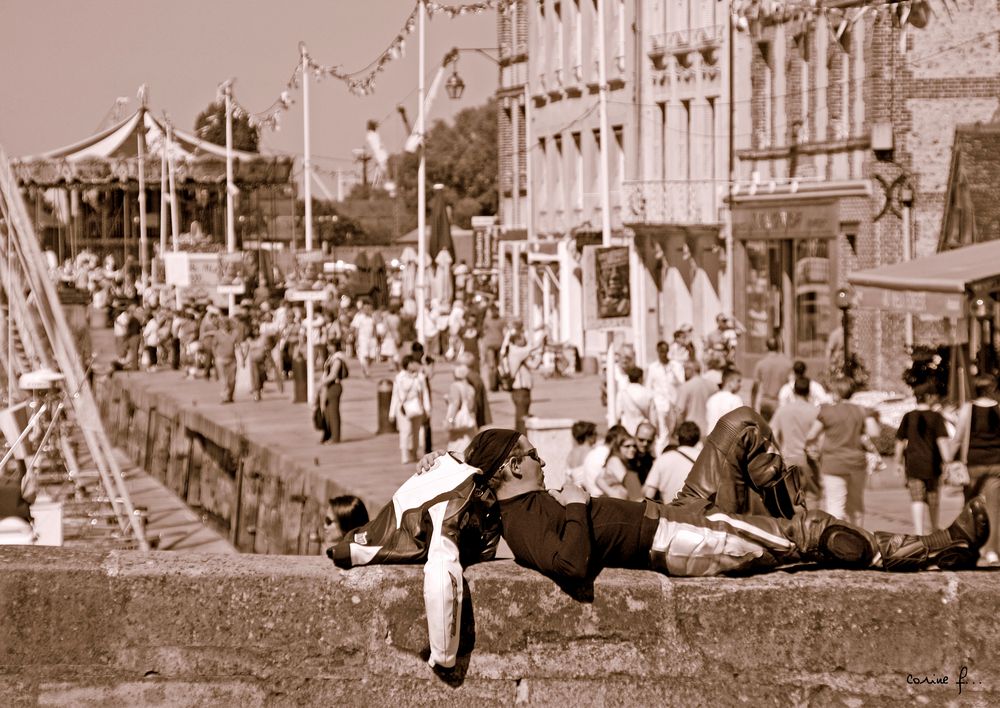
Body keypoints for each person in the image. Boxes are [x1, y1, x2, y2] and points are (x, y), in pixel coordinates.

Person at [333, 426, 991, 670]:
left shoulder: (532, 501)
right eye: (529, 450)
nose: (540, 453)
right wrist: (581, 504)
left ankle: (778, 512)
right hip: (674, 539)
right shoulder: (525, 518)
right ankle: (931, 552)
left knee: (740, 430)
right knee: (811, 536)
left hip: (670, 512)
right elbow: (569, 568)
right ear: (509, 468)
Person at [805, 378, 881, 526]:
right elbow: (874, 432)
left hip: (833, 464)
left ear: (835, 393)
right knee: (856, 507)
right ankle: (859, 540)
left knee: (835, 506)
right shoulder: (861, 410)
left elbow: (811, 435)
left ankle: (836, 542)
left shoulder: (827, 411)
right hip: (857, 464)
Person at [952, 375, 1000, 566]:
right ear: (992, 388)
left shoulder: (968, 408)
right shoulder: (999, 408)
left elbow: (958, 437)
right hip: (997, 463)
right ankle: (991, 551)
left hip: (973, 464)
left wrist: (948, 459)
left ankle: (970, 548)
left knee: (970, 506)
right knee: (994, 508)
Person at [894, 383, 950, 535]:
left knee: (916, 497)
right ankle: (933, 528)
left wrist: (897, 462)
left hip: (913, 464)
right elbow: (942, 441)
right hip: (932, 464)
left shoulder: (908, 416)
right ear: (929, 397)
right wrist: (948, 461)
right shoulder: (937, 417)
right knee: (933, 496)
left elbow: (900, 442)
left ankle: (918, 532)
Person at [770, 376, 822, 503]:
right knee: (812, 497)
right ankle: (811, 522)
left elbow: (773, 434)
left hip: (788, 459)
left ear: (793, 391)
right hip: (808, 460)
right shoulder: (815, 411)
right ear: (809, 392)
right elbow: (821, 437)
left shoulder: (782, 411)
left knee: (789, 499)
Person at [643, 420, 703, 503]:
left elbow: (649, 494)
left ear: (678, 437)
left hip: (669, 512)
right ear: (697, 439)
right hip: (699, 513)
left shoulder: (663, 459)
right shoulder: (705, 459)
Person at [389, 355, 432, 464]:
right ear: (408, 364)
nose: (416, 365)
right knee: (406, 431)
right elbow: (395, 395)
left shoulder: (420, 377)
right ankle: (405, 455)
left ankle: (414, 453)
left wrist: (427, 409)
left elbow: (425, 393)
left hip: (417, 406)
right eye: (414, 363)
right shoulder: (400, 377)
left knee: (416, 431)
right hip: (403, 408)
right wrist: (392, 412)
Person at [646, 340, 685, 452]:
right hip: (659, 404)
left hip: (674, 403)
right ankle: (661, 454)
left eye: (665, 351)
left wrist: (672, 372)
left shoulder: (676, 366)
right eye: (661, 352)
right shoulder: (653, 368)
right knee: (662, 433)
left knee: (674, 431)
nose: (663, 354)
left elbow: (682, 383)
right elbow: (649, 387)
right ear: (658, 352)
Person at [502, 328, 538, 435]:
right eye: (522, 339)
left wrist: (539, 355)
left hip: (523, 389)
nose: (524, 341)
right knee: (521, 418)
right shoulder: (516, 351)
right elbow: (531, 348)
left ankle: (521, 439)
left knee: (523, 416)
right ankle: (521, 440)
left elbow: (533, 365)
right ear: (515, 341)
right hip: (519, 389)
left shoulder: (519, 354)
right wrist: (541, 341)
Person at [751, 338, 793, 421]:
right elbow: (792, 385)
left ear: (766, 347)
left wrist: (753, 405)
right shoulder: (788, 364)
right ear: (779, 347)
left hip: (766, 402)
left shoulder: (761, 364)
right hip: (781, 403)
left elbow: (755, 386)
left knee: (766, 431)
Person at [595, 429, 643, 501]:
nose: (632, 449)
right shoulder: (615, 460)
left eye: (634, 446)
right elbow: (630, 482)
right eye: (627, 446)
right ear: (618, 447)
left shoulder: (626, 462)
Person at [675, 361, 718, 438]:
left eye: (685, 370)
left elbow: (679, 412)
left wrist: (678, 431)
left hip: (690, 431)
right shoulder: (713, 386)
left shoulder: (685, 387)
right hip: (709, 429)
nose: (684, 373)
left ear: (690, 370)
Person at [615, 366, 659, 438]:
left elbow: (618, 415)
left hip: (627, 430)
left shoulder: (622, 393)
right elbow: (653, 417)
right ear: (641, 378)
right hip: (644, 431)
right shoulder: (648, 393)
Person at [318, 344, 349, 444]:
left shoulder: (337, 359)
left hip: (334, 386)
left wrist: (323, 382)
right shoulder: (331, 358)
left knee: (333, 412)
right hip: (328, 386)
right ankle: (329, 435)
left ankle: (335, 437)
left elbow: (333, 375)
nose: (328, 347)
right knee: (327, 412)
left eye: (330, 345)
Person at [445, 364, 478, 453]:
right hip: (469, 423)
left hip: (459, 424)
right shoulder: (471, 388)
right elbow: (471, 406)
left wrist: (450, 420)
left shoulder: (455, 386)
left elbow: (456, 404)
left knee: (456, 450)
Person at [457, 351, 491, 429]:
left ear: (465, 366)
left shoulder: (469, 378)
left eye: (459, 365)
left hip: (473, 413)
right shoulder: (476, 376)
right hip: (481, 412)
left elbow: (473, 398)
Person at [705, 368, 744, 435]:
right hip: (726, 440)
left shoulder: (712, 399)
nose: (740, 385)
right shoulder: (735, 400)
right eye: (738, 381)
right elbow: (739, 424)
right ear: (730, 382)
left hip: (710, 439)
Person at [212, 317, 241, 404]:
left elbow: (238, 344)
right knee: (224, 380)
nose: (225, 326)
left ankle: (230, 396)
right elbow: (213, 346)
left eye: (227, 324)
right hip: (221, 359)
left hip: (232, 359)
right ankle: (225, 397)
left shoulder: (235, 333)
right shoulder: (217, 334)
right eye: (223, 324)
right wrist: (216, 356)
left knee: (232, 380)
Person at [564, 421, 598, 492]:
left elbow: (568, 479)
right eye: (595, 433)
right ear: (587, 436)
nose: (597, 436)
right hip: (590, 491)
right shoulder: (593, 452)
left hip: (576, 492)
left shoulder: (571, 454)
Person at [480, 305, 505, 391]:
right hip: (500, 343)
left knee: (491, 365)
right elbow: (505, 330)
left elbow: (484, 331)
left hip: (490, 344)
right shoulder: (501, 320)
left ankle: (493, 384)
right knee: (499, 364)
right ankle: (500, 382)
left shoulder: (487, 320)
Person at [351, 301, 377, 376]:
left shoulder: (372, 316)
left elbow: (374, 328)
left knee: (372, 356)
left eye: (369, 308)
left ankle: (365, 367)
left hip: (372, 339)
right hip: (362, 338)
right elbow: (356, 330)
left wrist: (376, 339)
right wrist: (356, 341)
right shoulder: (359, 317)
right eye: (365, 308)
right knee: (364, 355)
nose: (367, 310)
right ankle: (367, 370)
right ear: (362, 309)